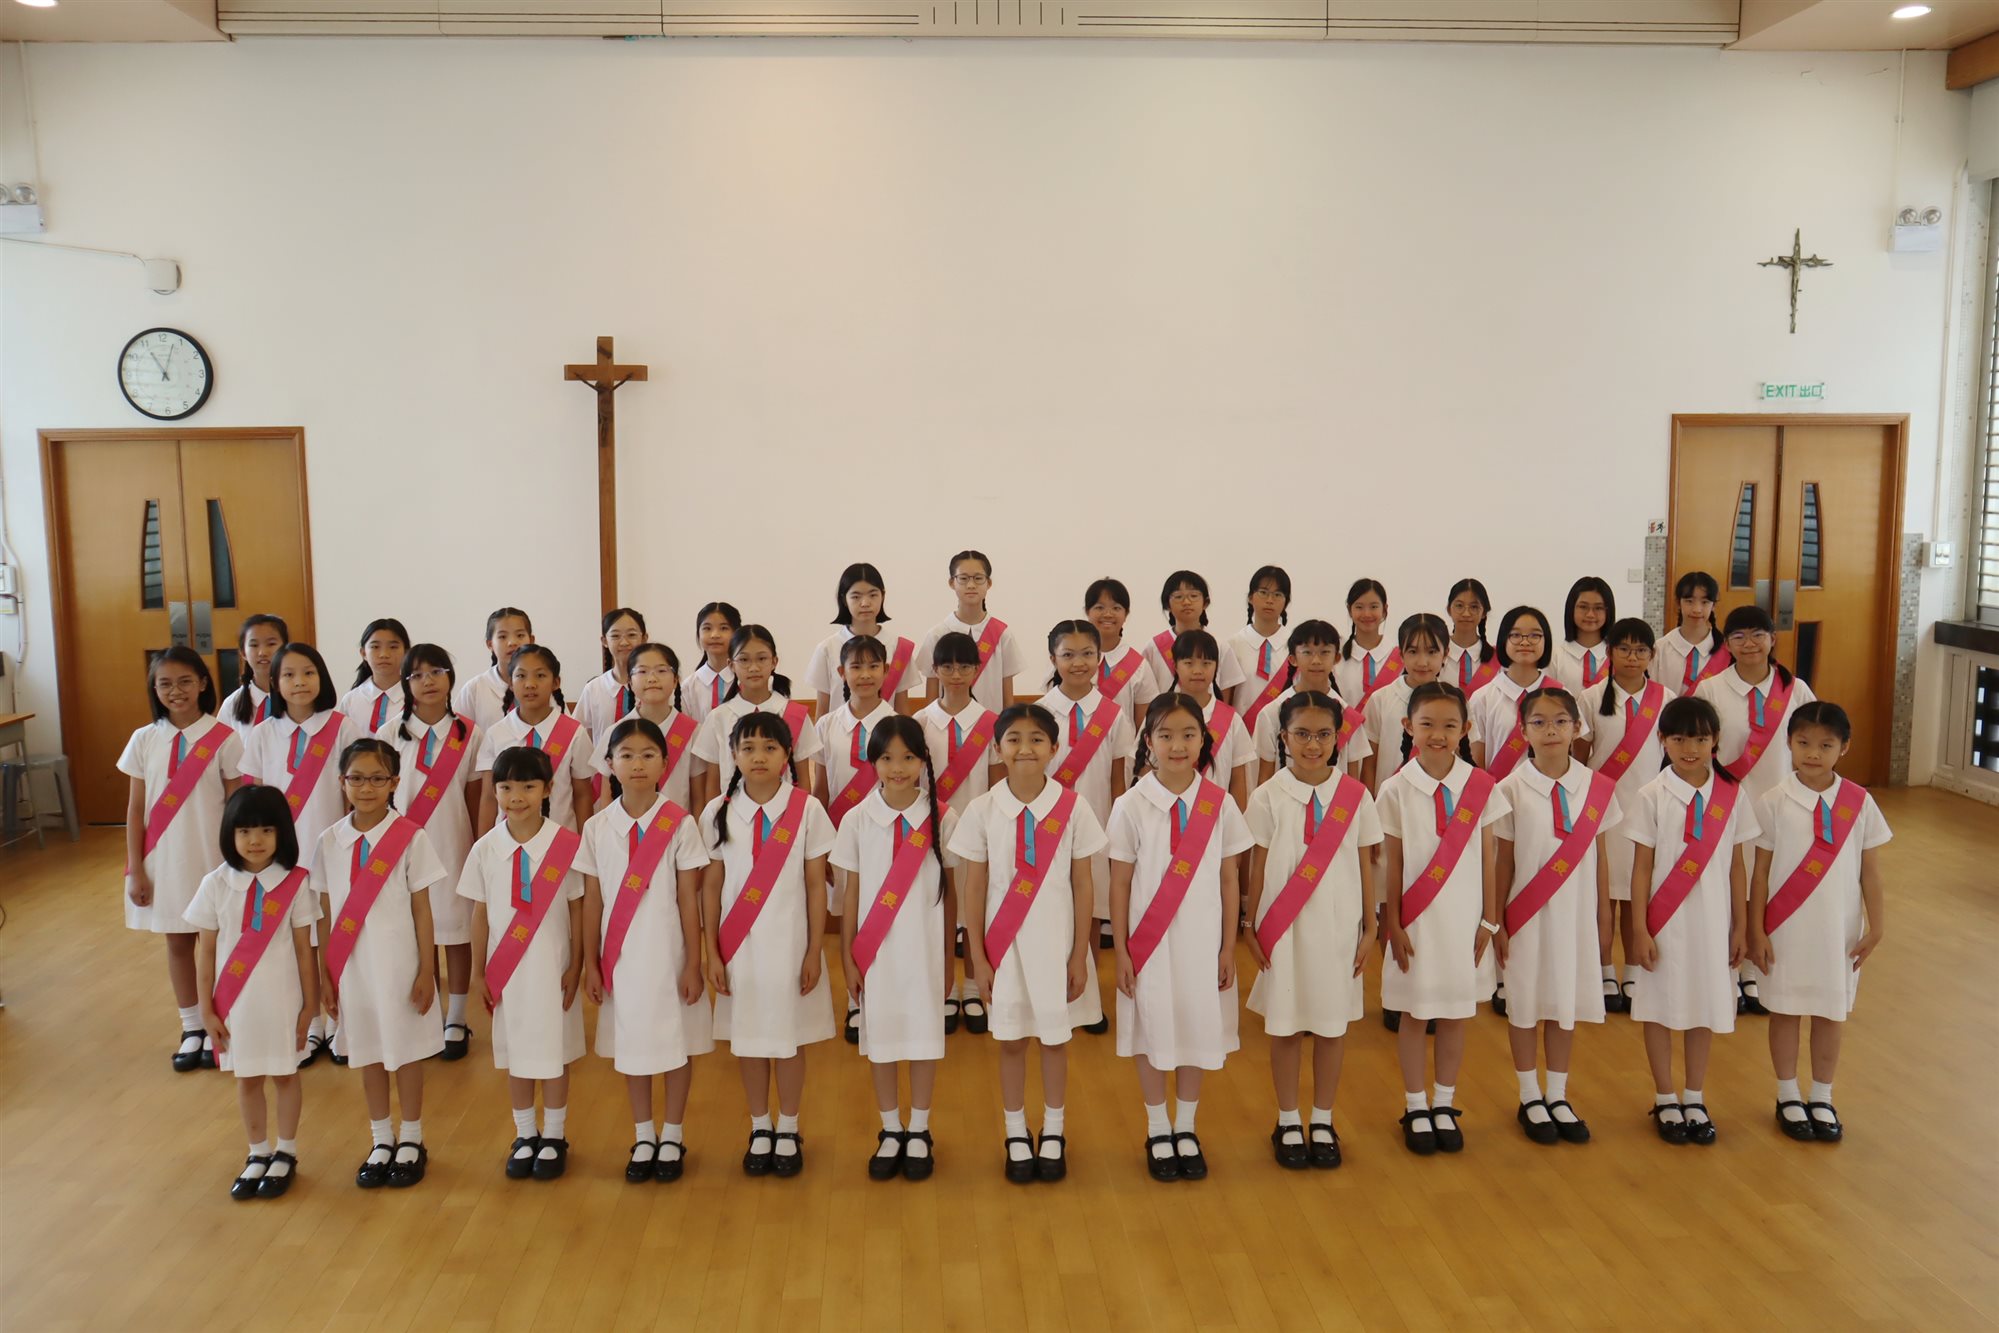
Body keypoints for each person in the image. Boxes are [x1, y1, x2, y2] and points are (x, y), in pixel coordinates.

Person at [188, 785, 320, 1200]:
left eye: (266, 830)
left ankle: (286, 1151)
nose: (255, 840)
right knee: (246, 1079)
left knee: (285, 1074)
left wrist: (310, 1006)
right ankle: (257, 1151)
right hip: (235, 1006)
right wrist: (206, 1010)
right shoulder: (215, 884)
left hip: (282, 1000)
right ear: (229, 834)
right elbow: (205, 951)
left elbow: (305, 950)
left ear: (283, 833)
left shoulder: (296, 883)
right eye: (244, 831)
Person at [121, 647, 243, 1072]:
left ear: (203, 683)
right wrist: (136, 869)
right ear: (154, 689)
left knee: (218, 943)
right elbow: (136, 809)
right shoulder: (144, 739)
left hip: (213, 858)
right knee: (177, 942)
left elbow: (235, 806)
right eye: (165, 684)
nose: (176, 691)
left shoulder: (224, 737)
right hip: (163, 861)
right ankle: (191, 1025)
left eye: (185, 681)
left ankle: (219, 1022)